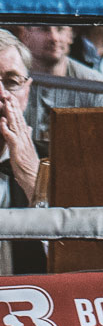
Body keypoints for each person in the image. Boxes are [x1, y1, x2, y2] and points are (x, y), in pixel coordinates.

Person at [13, 20, 103, 150]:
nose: (54, 38)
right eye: (44, 29)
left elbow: (99, 147)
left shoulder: (96, 86)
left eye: (60, 29)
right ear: (25, 35)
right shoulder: (11, 81)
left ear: (71, 35)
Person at [0, 33, 44, 275]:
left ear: (27, 90)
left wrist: (34, 182)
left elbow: (78, 260)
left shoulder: (59, 160)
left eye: (12, 81)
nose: (1, 94)